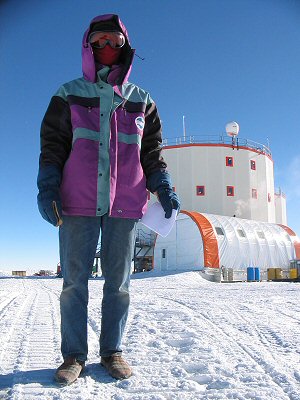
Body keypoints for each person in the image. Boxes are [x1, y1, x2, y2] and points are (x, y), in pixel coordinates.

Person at [37, 14, 179, 386]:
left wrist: (163, 184)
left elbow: (152, 153)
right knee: (74, 283)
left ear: (125, 47)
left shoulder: (142, 101)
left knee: (119, 283)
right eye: (98, 41)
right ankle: (73, 356)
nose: (106, 48)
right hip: (76, 203)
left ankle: (112, 351)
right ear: (88, 46)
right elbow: (52, 147)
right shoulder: (67, 93)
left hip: (125, 205)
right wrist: (47, 186)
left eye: (114, 41)